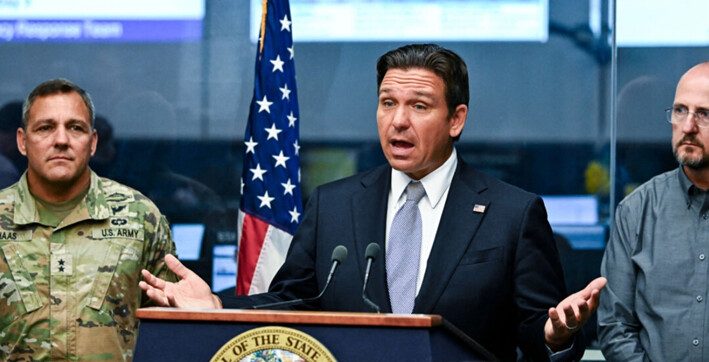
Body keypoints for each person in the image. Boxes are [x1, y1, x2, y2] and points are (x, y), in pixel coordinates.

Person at [140, 44, 606, 361]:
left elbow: (538, 332)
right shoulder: (333, 204)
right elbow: (292, 303)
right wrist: (217, 308)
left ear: (456, 119)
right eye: (387, 103)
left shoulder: (513, 213)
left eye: (419, 106)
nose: (398, 121)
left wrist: (557, 334)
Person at [0, 79, 178, 361]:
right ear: (22, 141)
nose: (61, 140)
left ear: (93, 142)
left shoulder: (140, 217)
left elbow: (172, 331)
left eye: (75, 128)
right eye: (45, 128)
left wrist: (210, 305)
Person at [598, 62, 709, 361]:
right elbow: (614, 327)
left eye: (704, 114)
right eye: (680, 111)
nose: (688, 126)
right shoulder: (636, 212)